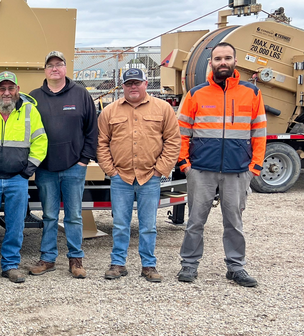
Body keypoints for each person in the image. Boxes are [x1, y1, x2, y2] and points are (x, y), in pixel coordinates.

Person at [176, 42, 267, 287]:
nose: (223, 62)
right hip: (201, 169)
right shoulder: (196, 94)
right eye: (218, 59)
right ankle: (189, 264)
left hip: (238, 171)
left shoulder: (252, 93)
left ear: (235, 61)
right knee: (195, 221)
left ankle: (236, 268)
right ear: (211, 63)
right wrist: (185, 164)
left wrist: (254, 167)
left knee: (234, 223)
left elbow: (259, 133)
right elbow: (182, 132)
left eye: (227, 58)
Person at [97, 67, 181, 282]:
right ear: (123, 86)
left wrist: (160, 171)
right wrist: (111, 171)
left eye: (137, 82)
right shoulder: (109, 111)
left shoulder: (163, 109)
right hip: (121, 178)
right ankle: (118, 263)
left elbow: (173, 141)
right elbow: (102, 143)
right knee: (120, 224)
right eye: (128, 83)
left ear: (145, 84)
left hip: (149, 178)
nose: (133, 87)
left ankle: (148, 265)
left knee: (148, 226)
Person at [0, 72, 47, 286]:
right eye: (2, 88)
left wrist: (27, 170)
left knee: (14, 225)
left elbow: (40, 141)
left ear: (17, 90)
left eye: (10, 88)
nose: (6, 93)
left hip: (17, 179)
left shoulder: (29, 112)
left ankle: (10, 266)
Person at [28, 50, 98, 279]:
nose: (55, 68)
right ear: (45, 70)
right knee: (48, 215)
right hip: (45, 168)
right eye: (50, 65)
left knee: (74, 215)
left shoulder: (81, 95)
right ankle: (47, 259)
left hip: (73, 167)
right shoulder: (34, 97)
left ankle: (75, 259)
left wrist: (83, 160)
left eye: (59, 64)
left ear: (66, 68)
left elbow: (92, 129)